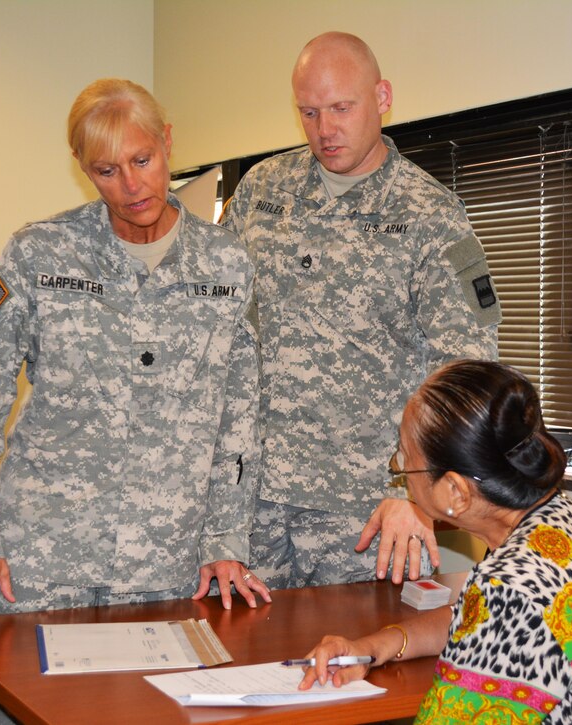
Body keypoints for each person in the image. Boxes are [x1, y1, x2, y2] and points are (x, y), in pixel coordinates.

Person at [0, 78, 270, 721]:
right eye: (106, 171)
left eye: (142, 161)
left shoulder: (229, 266)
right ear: (83, 170)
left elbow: (239, 426)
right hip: (38, 567)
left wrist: (225, 536)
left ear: (168, 143)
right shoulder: (38, 254)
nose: (131, 185)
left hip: (167, 569)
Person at [221, 32, 501, 589]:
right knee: (244, 667)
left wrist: (416, 497)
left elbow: (467, 375)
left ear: (382, 98)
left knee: (371, 665)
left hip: (370, 515)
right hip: (253, 505)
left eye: (342, 108)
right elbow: (215, 326)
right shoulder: (260, 191)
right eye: (309, 112)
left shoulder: (432, 215)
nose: (325, 130)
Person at [299, 360, 572, 723]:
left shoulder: (509, 588)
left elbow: (504, 614)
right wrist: (376, 646)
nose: (399, 470)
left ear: (454, 491)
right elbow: (471, 617)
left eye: (403, 459)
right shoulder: (563, 518)